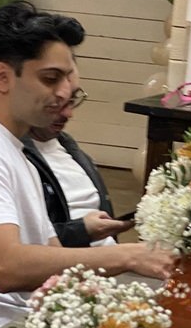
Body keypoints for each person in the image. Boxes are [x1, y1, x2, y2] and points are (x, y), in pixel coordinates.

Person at [0, 2, 175, 328]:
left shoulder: (13, 147)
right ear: (2, 77)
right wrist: (129, 257)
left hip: (34, 322)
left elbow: (51, 254)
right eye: (50, 78)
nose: (65, 93)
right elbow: (5, 266)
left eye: (68, 80)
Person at [22, 64, 133, 248]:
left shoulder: (69, 148)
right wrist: (83, 230)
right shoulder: (13, 156)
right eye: (57, 102)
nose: (68, 113)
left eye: (72, 100)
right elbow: (23, 242)